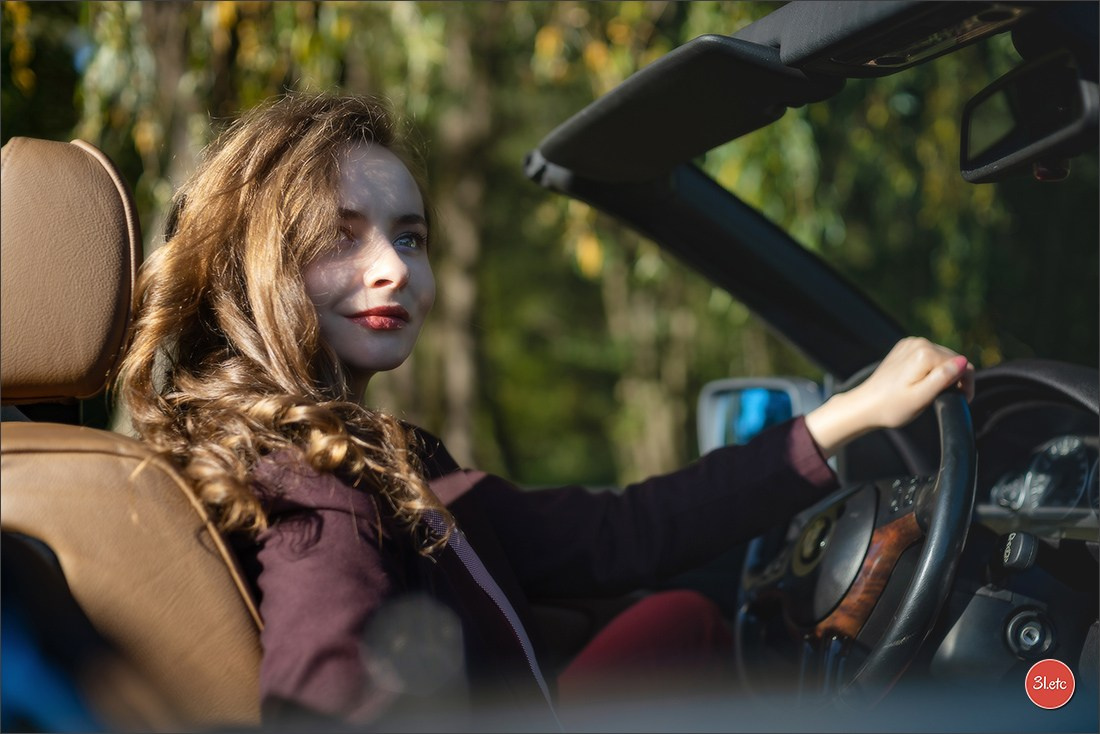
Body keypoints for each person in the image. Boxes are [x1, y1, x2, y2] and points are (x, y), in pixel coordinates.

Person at [115, 93, 974, 730]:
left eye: (409, 236)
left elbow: (624, 534)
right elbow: (331, 705)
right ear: (255, 263)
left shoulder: (394, 464)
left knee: (678, 621)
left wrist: (850, 414)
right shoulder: (317, 479)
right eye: (341, 235)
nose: (394, 268)